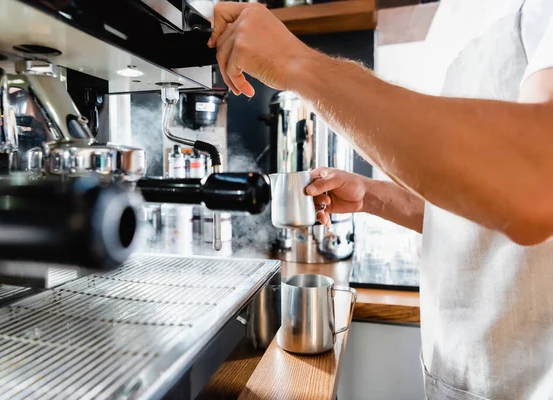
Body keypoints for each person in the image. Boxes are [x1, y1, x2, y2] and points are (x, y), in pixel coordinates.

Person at [207, 0, 553, 399]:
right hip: (467, 376)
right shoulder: (461, 17)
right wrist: (372, 195)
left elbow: (533, 184)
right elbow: (482, 206)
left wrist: (294, 62)